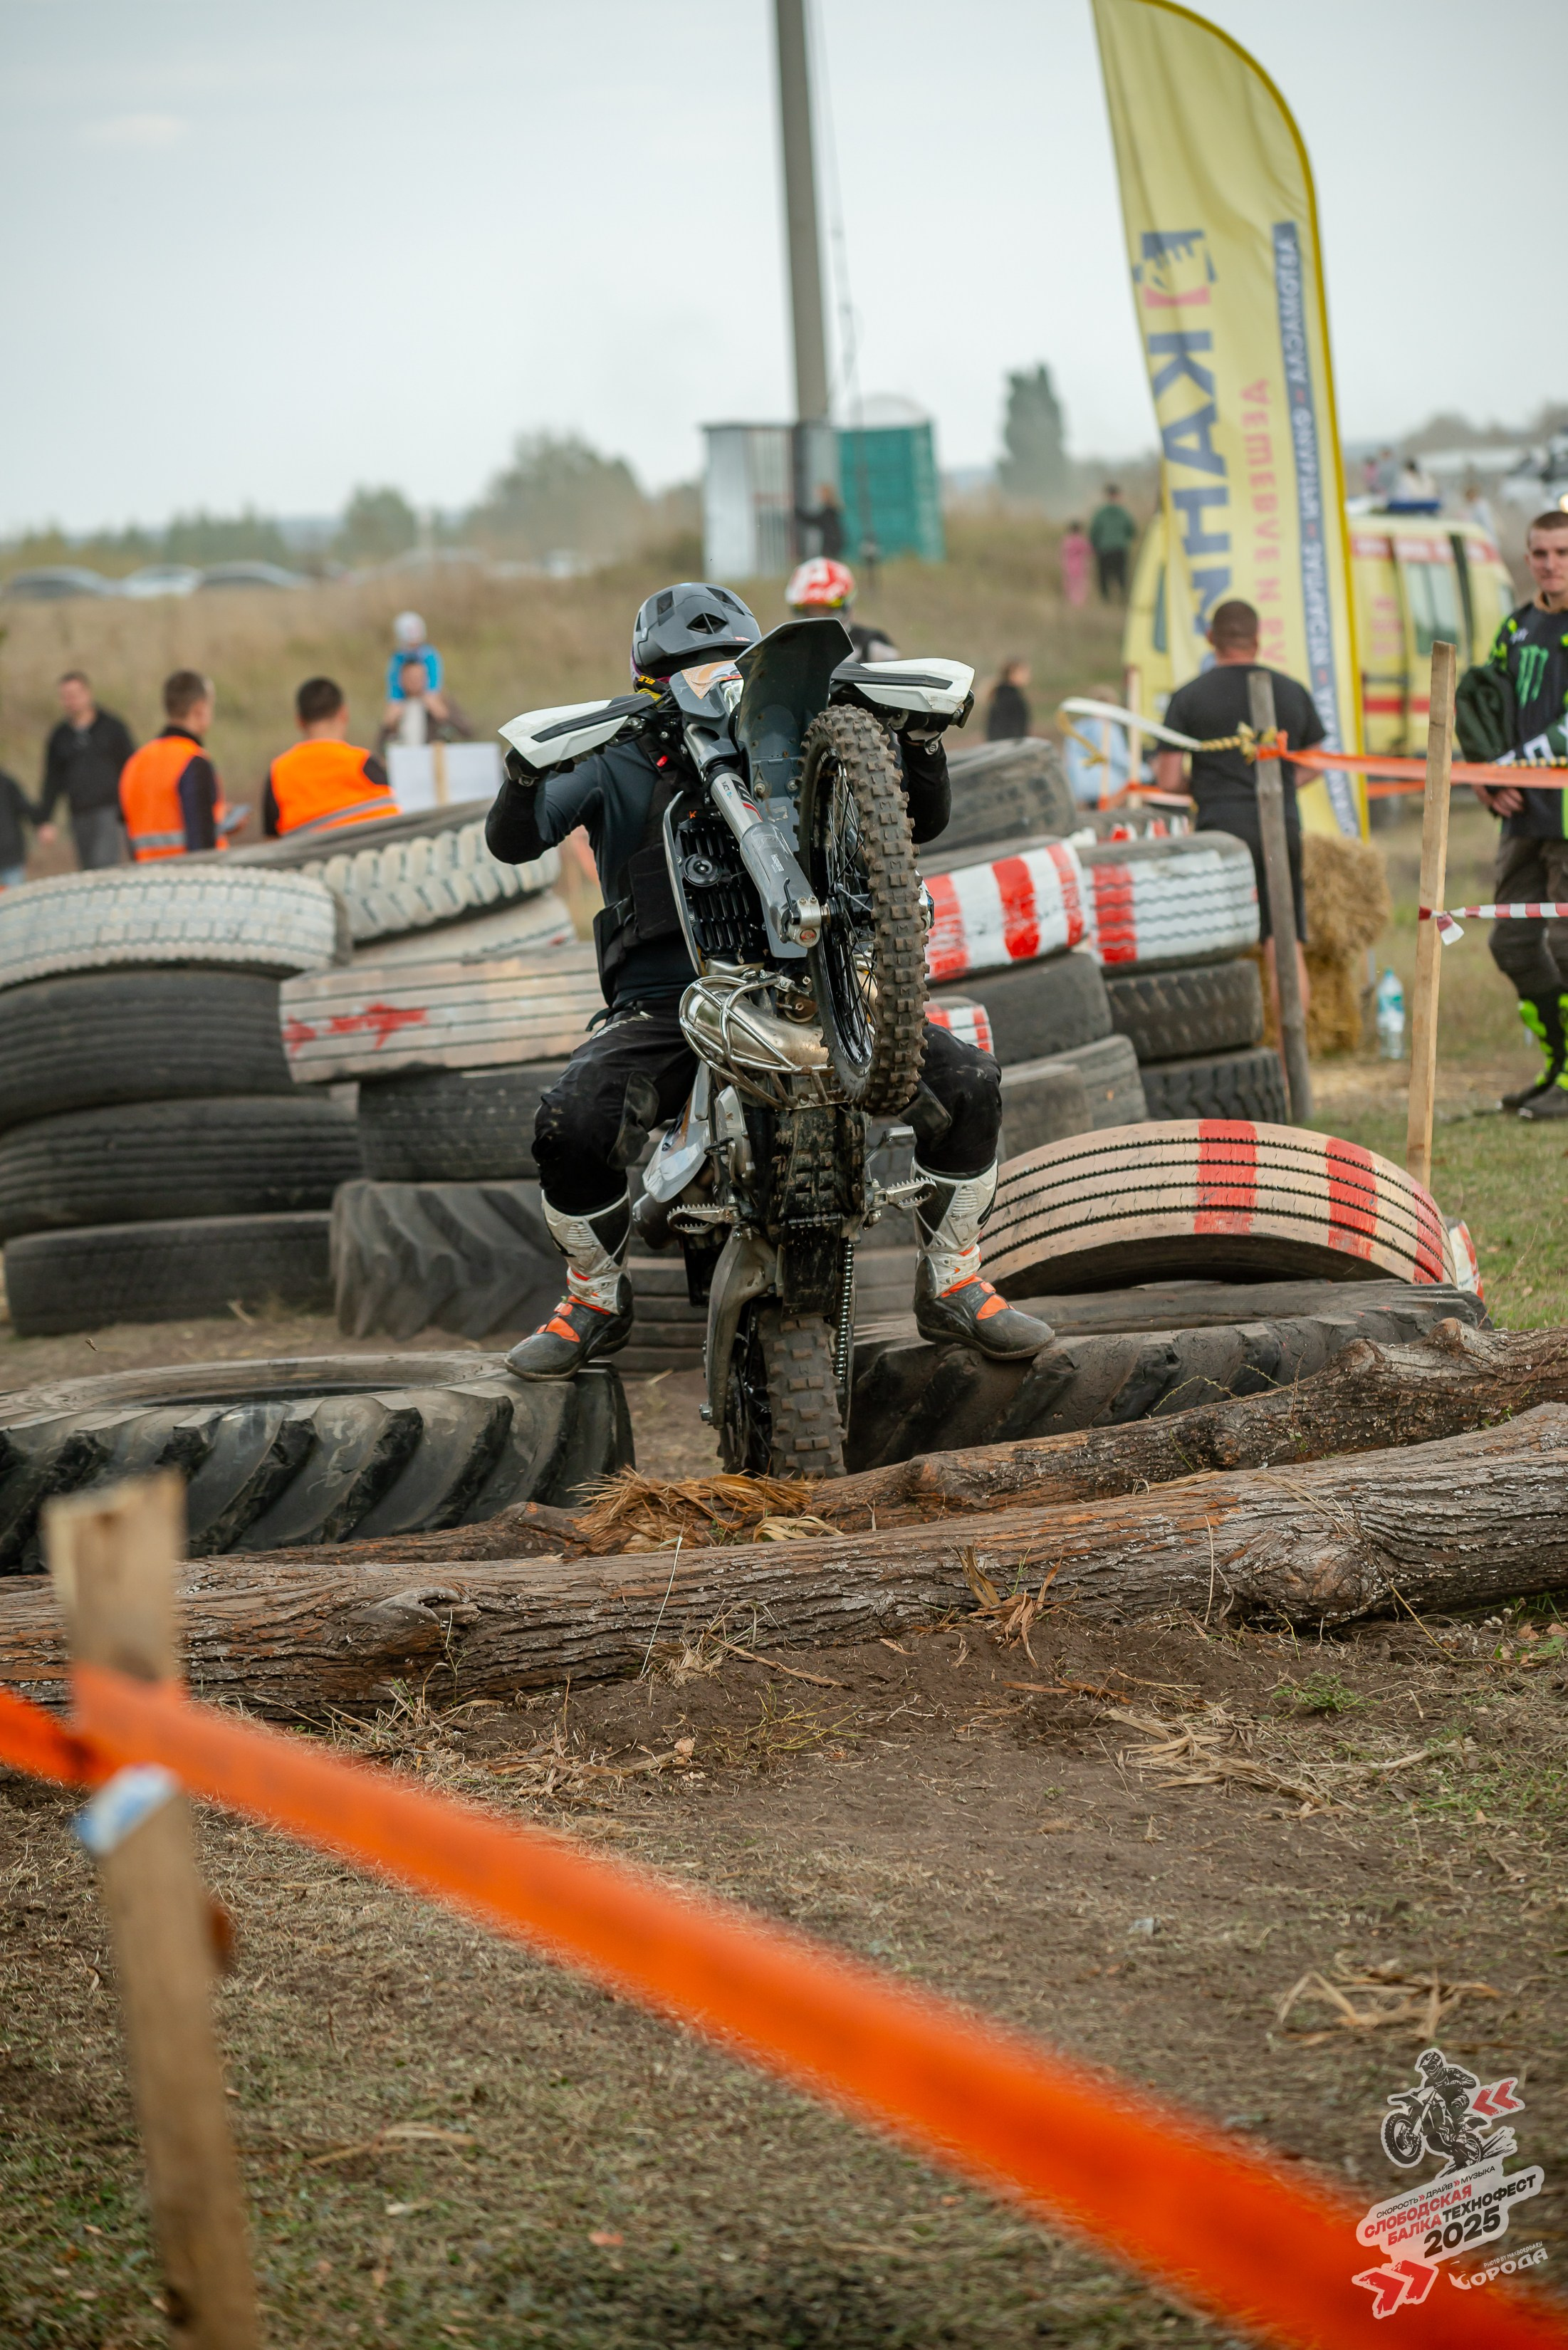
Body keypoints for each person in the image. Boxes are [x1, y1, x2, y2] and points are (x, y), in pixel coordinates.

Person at [484, 580, 1055, 1379]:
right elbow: (518, 841)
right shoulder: (613, 754)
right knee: (572, 1119)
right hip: (668, 1006)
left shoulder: (797, 742)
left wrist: (920, 745)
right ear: (650, 680)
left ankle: (954, 1279)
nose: (713, 680)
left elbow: (919, 821)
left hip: (818, 991)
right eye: (689, 668)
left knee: (970, 1082)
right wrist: (522, 774)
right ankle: (595, 1297)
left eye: (729, 664)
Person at [1152, 600, 1320, 1028]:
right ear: (1258, 640)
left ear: (1211, 639)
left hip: (1219, 830)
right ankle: (1289, 1065)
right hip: (1279, 826)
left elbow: (1169, 779)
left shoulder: (1188, 696)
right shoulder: (1291, 690)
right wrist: (1277, 787)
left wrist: (1210, 788)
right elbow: (1316, 761)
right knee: (1283, 942)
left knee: (1209, 943)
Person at [1462, 508, 1568, 1118]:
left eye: (1561, 552)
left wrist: (1514, 765)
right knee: (1512, 943)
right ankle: (1559, 1061)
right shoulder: (1517, 626)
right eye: (1539, 553)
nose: (1550, 563)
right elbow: (1485, 701)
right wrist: (1483, 773)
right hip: (1521, 818)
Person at [117, 670, 231, 861]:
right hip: (188, 884)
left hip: (147, 883)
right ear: (200, 709)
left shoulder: (135, 764)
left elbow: (130, 837)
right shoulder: (193, 762)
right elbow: (202, 847)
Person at [265, 678, 396, 839]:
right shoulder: (366, 764)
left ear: (299, 721)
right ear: (343, 714)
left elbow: (271, 845)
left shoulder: (279, 773)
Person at [37, 671, 135, 869]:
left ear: (87, 694)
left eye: (75, 695)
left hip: (109, 811)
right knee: (89, 871)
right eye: (66, 697)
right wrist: (45, 819)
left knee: (105, 867)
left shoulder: (111, 727)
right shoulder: (60, 737)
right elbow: (52, 780)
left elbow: (132, 767)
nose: (71, 701)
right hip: (78, 814)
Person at [784, 556, 899, 662]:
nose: (818, 619)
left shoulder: (871, 646)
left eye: (826, 609)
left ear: (847, 607)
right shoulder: (784, 650)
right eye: (810, 611)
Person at [379, 657, 471, 753]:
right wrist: (388, 725)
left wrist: (443, 715)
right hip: (405, 761)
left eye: (418, 678)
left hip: (435, 762)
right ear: (401, 680)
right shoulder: (395, 705)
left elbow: (467, 733)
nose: (414, 682)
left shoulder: (440, 701)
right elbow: (380, 748)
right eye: (409, 678)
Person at [1088, 487, 1136, 602]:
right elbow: (1131, 530)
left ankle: (1106, 600)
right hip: (1120, 548)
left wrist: (1095, 545)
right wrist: (1125, 540)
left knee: (1104, 576)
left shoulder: (1100, 513)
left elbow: (1094, 531)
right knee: (1121, 575)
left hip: (1104, 549)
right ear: (1118, 496)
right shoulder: (1124, 512)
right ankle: (1123, 598)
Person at [385, 610, 441, 701]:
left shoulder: (429, 654)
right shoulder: (398, 657)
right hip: (404, 697)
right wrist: (396, 699)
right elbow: (394, 682)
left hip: (426, 694)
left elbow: (434, 678)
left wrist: (430, 693)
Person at [0, 766, 40, 889]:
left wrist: (42, 822)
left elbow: (25, 808)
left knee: (14, 900)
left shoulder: (6, 783)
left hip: (10, 857)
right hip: (11, 855)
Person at [795, 481, 845, 559]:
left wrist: (798, 512)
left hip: (831, 540)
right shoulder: (832, 509)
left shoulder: (829, 510)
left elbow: (815, 520)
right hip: (834, 539)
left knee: (828, 560)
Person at [986, 662, 1031, 741]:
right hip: (1009, 748)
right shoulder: (1009, 697)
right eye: (1022, 673)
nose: (1027, 676)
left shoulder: (1002, 694)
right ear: (1012, 674)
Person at [1060, 521, 1091, 608]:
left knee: (1069, 585)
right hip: (1081, 566)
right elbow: (1089, 551)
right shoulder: (1082, 541)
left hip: (1068, 566)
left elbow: (1062, 553)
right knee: (1080, 586)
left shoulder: (1066, 541)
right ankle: (1080, 603)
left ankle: (1070, 602)